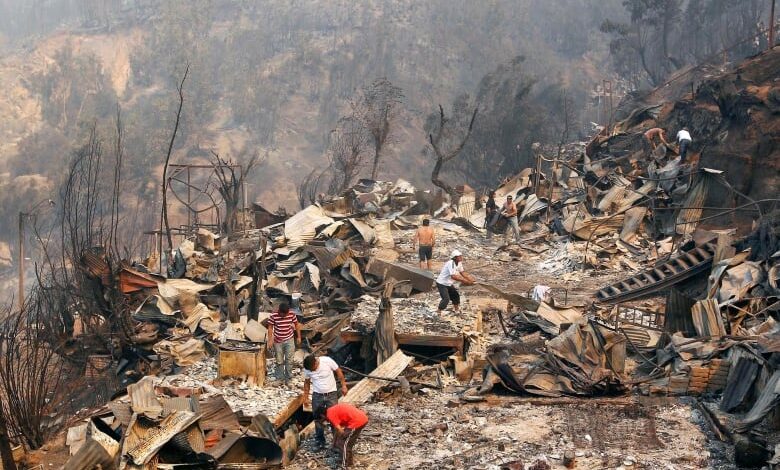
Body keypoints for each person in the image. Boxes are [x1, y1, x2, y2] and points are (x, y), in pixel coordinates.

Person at [302, 354, 349, 449]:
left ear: (315, 363)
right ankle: (320, 442)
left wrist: (344, 385)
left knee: (334, 418)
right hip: (317, 395)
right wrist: (305, 397)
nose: (312, 371)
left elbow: (338, 371)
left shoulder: (327, 361)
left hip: (331, 394)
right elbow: (307, 383)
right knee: (317, 418)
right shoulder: (308, 368)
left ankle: (336, 442)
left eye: (313, 369)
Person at [314, 403, 369, 468]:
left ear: (322, 415)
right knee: (345, 442)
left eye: (321, 420)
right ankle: (348, 461)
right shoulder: (332, 410)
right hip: (360, 419)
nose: (324, 421)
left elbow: (340, 430)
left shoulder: (330, 415)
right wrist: (334, 443)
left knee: (342, 443)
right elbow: (337, 430)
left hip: (357, 421)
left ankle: (345, 464)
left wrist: (342, 438)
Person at [266, 303, 301, 383]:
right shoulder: (273, 315)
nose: (284, 316)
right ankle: (280, 378)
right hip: (278, 341)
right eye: (283, 315)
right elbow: (270, 327)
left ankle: (288, 378)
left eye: (286, 314)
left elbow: (297, 324)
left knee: (289, 360)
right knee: (279, 360)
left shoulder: (291, 314)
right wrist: (270, 340)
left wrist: (299, 337)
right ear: (279, 311)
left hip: (289, 339)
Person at [435, 249, 475, 314]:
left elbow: (462, 272)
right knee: (446, 299)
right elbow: (453, 276)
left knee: (455, 296)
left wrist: (471, 279)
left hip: (449, 283)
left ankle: (456, 309)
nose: (461, 257)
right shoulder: (451, 263)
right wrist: (465, 281)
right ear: (455, 257)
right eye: (459, 256)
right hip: (442, 283)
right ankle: (438, 311)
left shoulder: (459, 263)